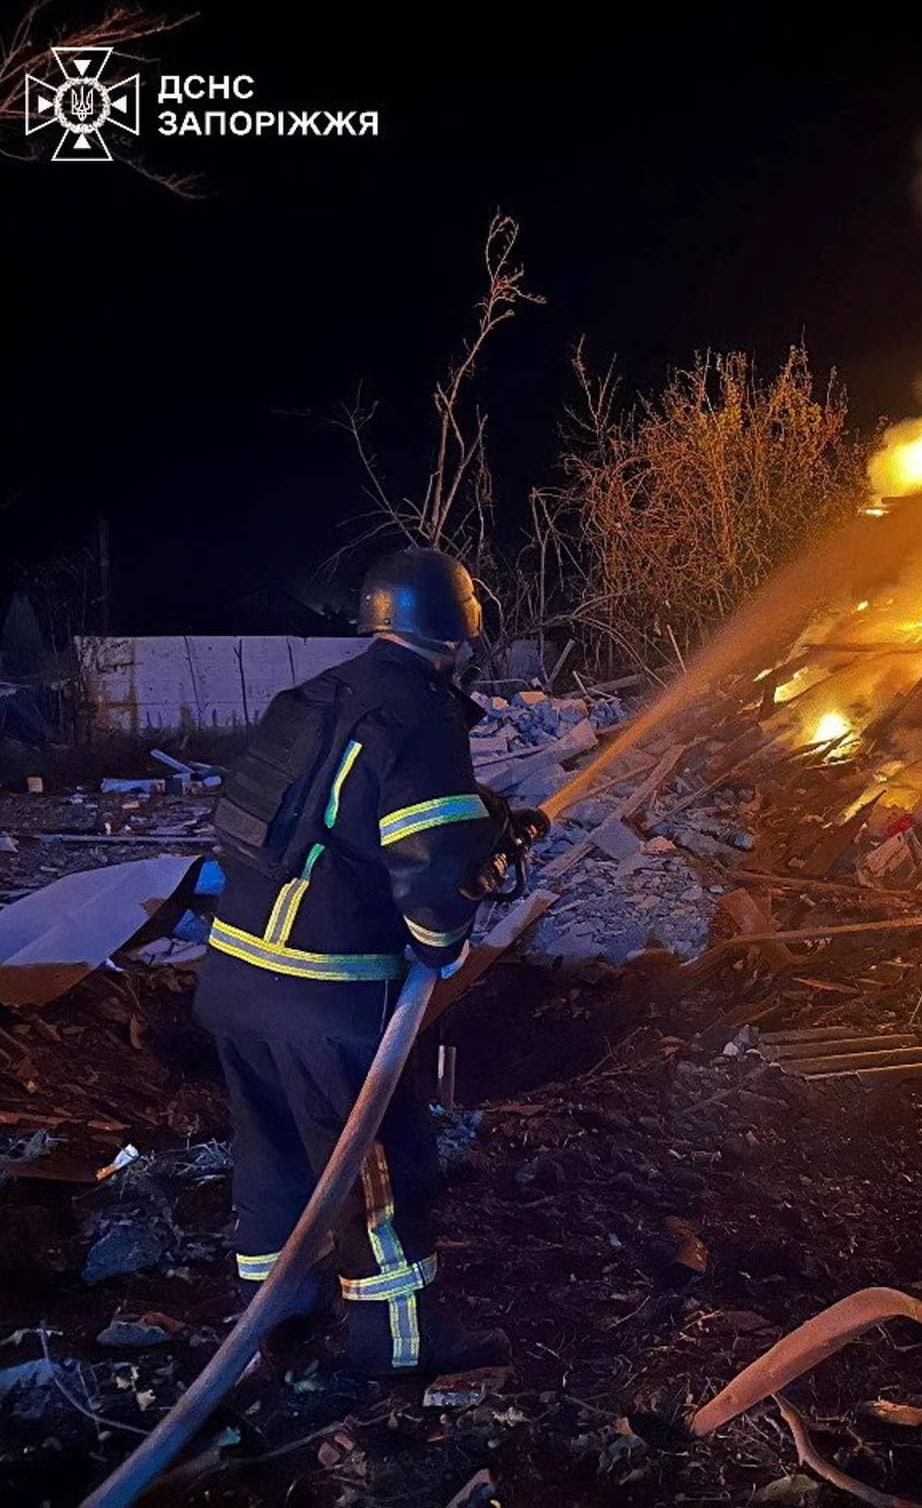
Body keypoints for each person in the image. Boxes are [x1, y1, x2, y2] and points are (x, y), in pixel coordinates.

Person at [195, 546, 511, 1375]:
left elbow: (307, 823)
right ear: (457, 627)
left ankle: (272, 1323)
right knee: (377, 1169)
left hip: (234, 977)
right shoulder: (422, 714)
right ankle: (396, 1352)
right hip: (323, 1001)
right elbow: (431, 873)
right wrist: (445, 941)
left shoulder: (315, 698)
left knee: (272, 1154)